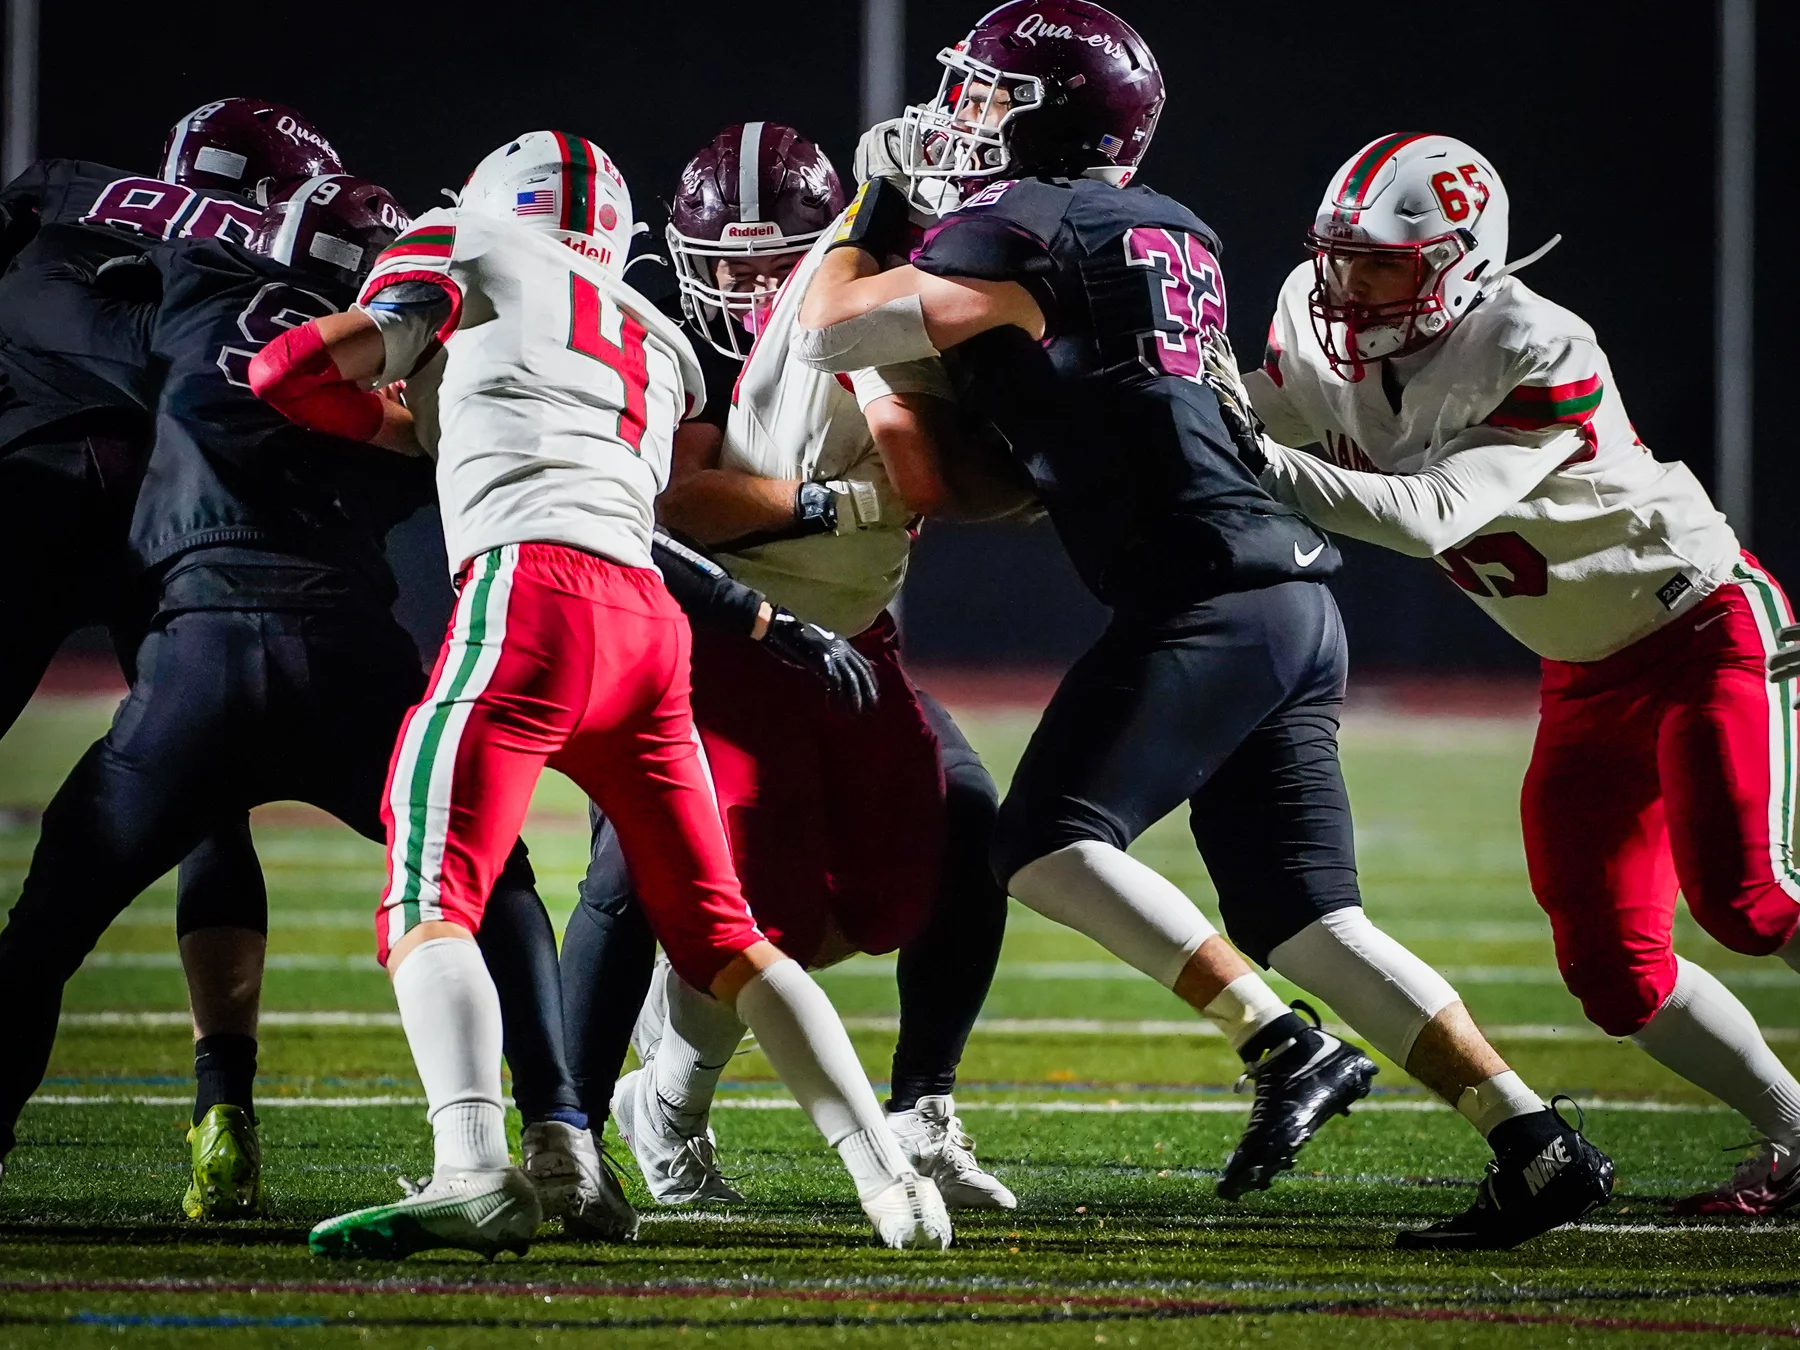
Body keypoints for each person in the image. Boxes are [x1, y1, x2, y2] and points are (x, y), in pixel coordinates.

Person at [797, 1, 1612, 1249]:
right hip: (1289, 600)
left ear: (1055, 111)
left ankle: (1283, 1048)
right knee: (1308, 922)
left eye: (987, 93)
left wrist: (871, 206)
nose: (959, 115)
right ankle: (1535, 1141)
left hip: (1210, 597)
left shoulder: (1013, 226)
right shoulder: (1170, 227)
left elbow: (831, 324)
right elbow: (1041, 439)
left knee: (1041, 846)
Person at [250, 131, 953, 1255]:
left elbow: (301, 370)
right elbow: (464, 435)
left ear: (492, 203)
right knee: (726, 934)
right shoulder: (657, 334)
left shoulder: (460, 241)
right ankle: (893, 1190)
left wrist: (283, 371)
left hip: (524, 599)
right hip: (648, 624)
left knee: (430, 893)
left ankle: (473, 1167)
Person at [1212, 131, 1800, 1220]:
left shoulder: (1532, 342)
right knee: (1616, 973)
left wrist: (1238, 448)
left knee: (1752, 902)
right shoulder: (1310, 305)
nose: (1346, 284)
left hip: (1701, 628)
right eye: (1338, 256)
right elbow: (1270, 412)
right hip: (1580, 670)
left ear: (1460, 261)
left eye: (1380, 261)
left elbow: (1429, 512)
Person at [562, 121, 1019, 1213]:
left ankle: (922, 1108)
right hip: (687, 644)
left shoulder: (857, 306)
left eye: (777, 262)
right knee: (649, 874)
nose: (751, 284)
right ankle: (580, 1129)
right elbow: (675, 508)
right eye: (727, 263)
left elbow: (922, 463)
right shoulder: (669, 336)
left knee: (964, 825)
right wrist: (830, 501)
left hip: (844, 642)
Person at [0, 100, 348, 1215]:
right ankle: (222, 1109)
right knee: (212, 793)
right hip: (175, 516)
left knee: (76, 880)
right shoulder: (271, 252)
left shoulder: (61, 187)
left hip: (32, 485)